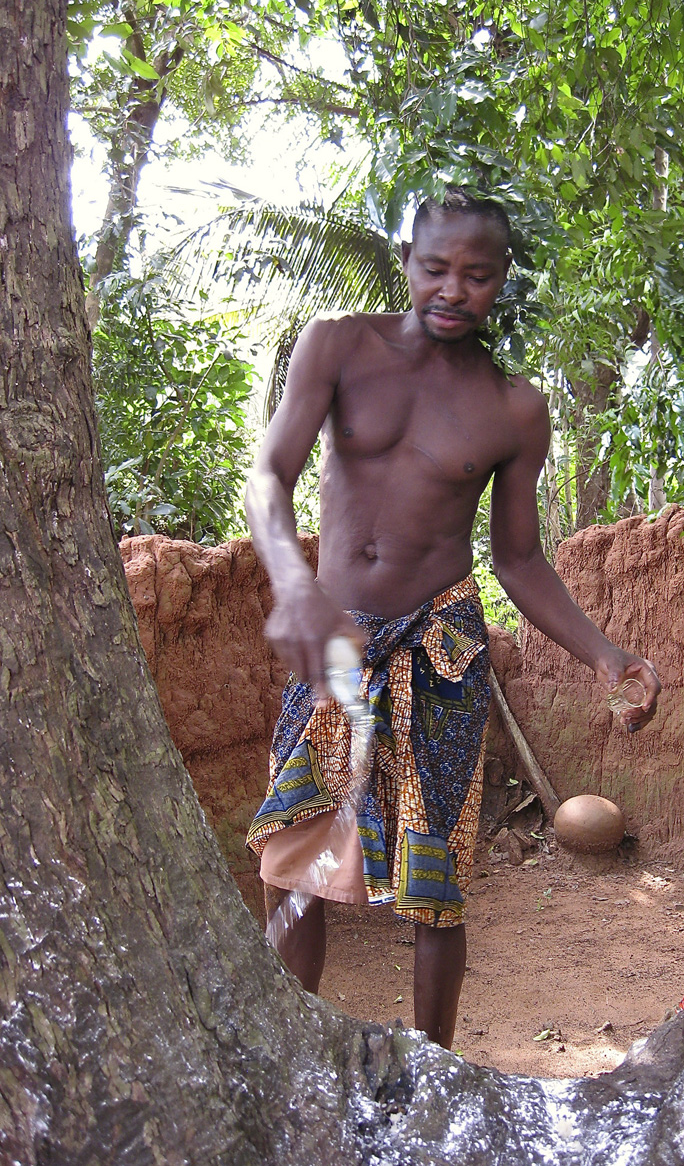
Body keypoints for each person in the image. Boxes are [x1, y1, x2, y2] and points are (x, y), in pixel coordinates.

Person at [245, 188, 660, 1050]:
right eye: (435, 268)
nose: (452, 290)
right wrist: (295, 583)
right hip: (333, 640)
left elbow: (519, 559)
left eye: (476, 275)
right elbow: (269, 479)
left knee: (434, 878)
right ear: (406, 260)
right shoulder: (338, 347)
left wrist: (603, 654)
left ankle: (437, 1068)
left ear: (502, 279)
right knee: (296, 857)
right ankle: (293, 1054)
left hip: (441, 645)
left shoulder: (513, 408)